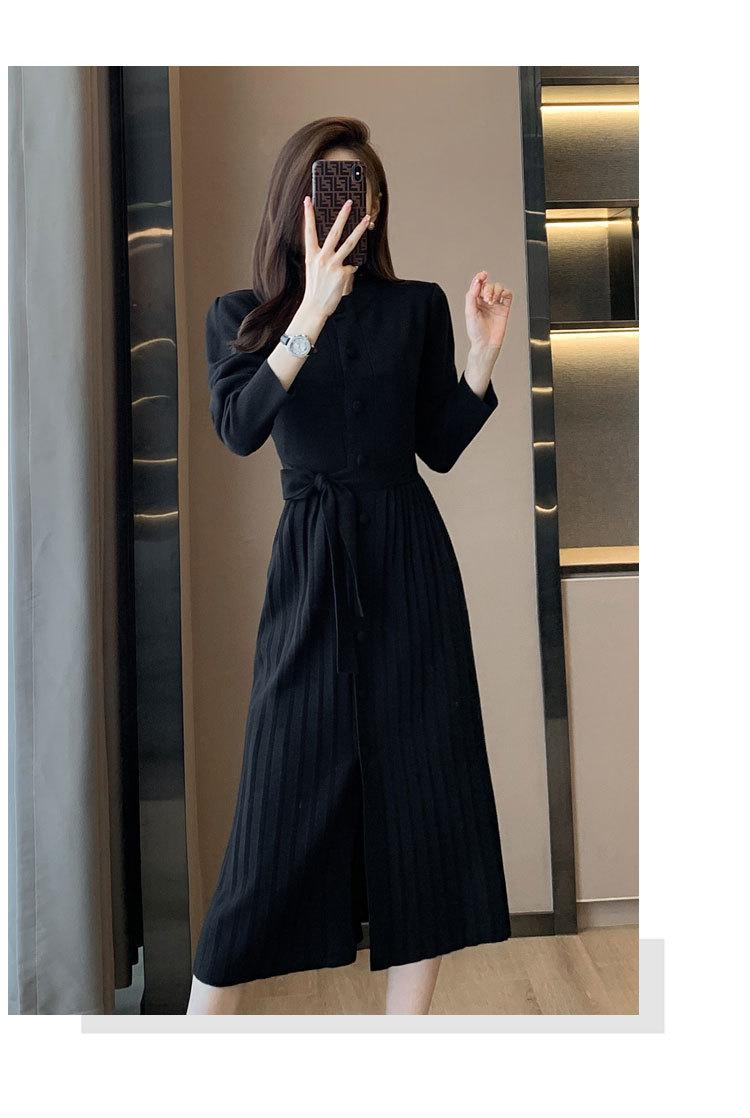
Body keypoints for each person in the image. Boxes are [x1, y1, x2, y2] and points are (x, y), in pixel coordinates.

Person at [187, 117, 514, 1015]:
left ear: (375, 207)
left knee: (426, 795)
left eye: (357, 192)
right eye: (326, 190)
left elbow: (436, 446)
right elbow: (240, 427)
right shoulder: (241, 314)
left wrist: (480, 360)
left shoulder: (416, 307)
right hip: (312, 565)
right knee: (275, 808)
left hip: (409, 561)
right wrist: (311, 310)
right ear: (292, 202)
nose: (342, 207)